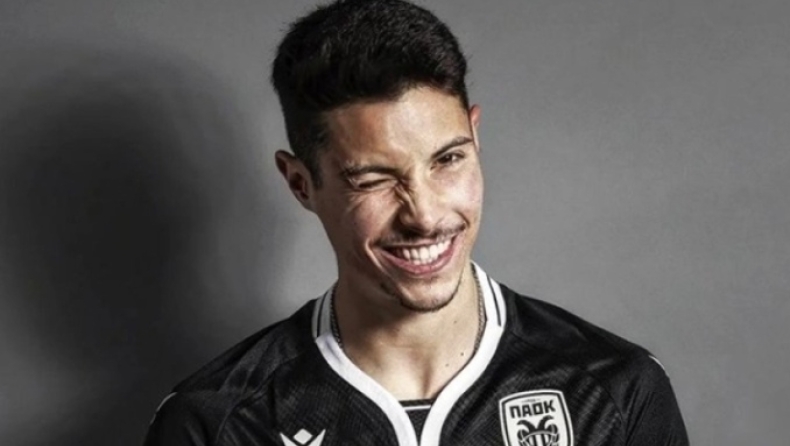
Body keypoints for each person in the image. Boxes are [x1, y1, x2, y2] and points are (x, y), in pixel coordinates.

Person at [144, 1, 689, 445]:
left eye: (448, 159)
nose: (425, 215)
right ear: (301, 183)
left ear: (475, 137)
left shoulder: (615, 392)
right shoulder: (217, 423)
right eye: (374, 179)